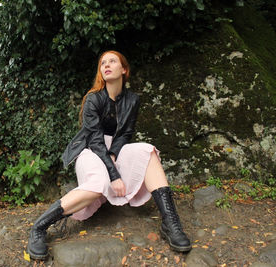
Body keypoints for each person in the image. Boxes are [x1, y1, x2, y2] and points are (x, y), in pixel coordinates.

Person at [26, 50, 191, 260]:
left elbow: (126, 134)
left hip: (115, 150)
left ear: (124, 69)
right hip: (89, 150)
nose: (106, 65)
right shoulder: (93, 99)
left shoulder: (132, 100)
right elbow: (95, 140)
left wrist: (113, 154)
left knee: (147, 150)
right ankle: (39, 228)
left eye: (112, 61)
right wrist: (114, 174)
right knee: (98, 183)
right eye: (103, 62)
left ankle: (171, 223)